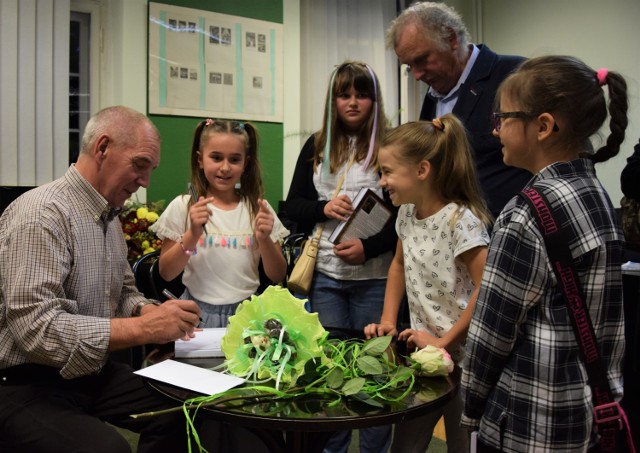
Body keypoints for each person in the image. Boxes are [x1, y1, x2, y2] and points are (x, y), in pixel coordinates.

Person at [0, 106, 203, 453]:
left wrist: (148, 313)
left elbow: (122, 291)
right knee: (108, 449)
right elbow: (37, 330)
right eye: (140, 165)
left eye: (149, 170)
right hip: (24, 384)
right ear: (103, 147)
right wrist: (145, 330)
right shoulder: (41, 215)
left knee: (184, 407)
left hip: (88, 373)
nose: (145, 182)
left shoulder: (108, 217)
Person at [461, 56, 628, 452]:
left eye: (503, 117)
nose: (495, 129)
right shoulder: (597, 196)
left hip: (525, 422)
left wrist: (470, 406)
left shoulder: (524, 214)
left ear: (543, 126)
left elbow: (492, 333)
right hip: (583, 412)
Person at [285, 61, 395, 453]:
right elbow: (290, 207)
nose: (352, 103)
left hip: (378, 279)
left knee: (376, 377)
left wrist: (369, 247)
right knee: (330, 375)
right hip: (326, 279)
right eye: (344, 94)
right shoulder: (316, 146)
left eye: (361, 94)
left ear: (374, 100)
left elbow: (405, 216)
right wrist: (323, 209)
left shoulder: (389, 148)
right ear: (333, 100)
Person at [364, 115, 492, 453]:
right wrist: (389, 323)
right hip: (425, 357)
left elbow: (486, 286)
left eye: (388, 171)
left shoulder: (460, 220)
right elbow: (398, 265)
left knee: (461, 444)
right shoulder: (406, 214)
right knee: (405, 444)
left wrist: (444, 340)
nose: (382, 181)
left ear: (422, 170)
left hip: (464, 359)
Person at [386, 1, 531, 219]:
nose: (416, 75)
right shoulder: (435, 91)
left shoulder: (515, 75)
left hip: (505, 232)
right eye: (410, 66)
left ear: (451, 39)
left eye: (422, 60)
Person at [151, 119, 289, 328]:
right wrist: (192, 235)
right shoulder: (184, 206)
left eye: (234, 159)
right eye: (216, 157)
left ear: (246, 163)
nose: (225, 167)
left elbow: (277, 275)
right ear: (200, 160)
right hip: (196, 314)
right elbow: (166, 272)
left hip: (248, 315)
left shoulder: (258, 209)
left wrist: (265, 240)